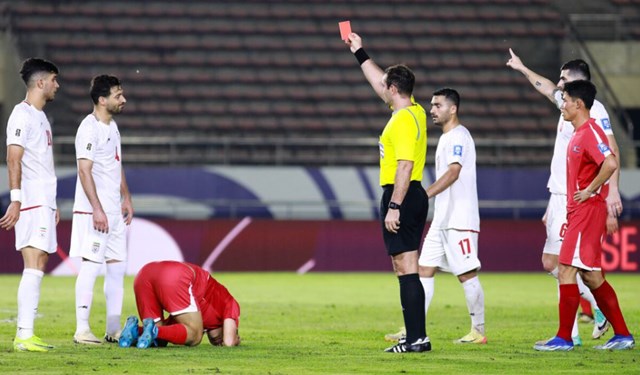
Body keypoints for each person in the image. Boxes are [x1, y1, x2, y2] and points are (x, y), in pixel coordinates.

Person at [507, 51, 616, 343]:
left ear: (577, 84)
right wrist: (521, 67)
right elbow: (544, 86)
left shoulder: (597, 111)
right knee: (555, 263)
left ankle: (575, 330)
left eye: (563, 78)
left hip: (577, 198)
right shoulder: (566, 104)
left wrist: (611, 194)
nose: (558, 83)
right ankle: (586, 319)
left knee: (564, 264)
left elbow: (610, 153)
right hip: (559, 195)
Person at [345, 33, 430, 353]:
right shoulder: (416, 111)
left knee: (406, 267)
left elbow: (405, 166)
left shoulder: (402, 122)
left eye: (385, 86)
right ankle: (416, 337)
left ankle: (417, 338)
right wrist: (359, 52)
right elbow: (380, 79)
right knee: (406, 266)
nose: (380, 89)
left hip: (402, 195)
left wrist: (394, 205)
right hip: (412, 194)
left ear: (393, 90)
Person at [533, 80, 634, 351]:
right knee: (591, 277)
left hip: (587, 212)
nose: (562, 105)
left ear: (578, 104)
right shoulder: (578, 132)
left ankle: (564, 338)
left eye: (565, 100)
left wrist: (590, 190)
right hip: (580, 212)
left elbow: (610, 161)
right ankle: (622, 334)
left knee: (566, 269)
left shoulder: (590, 132)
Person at [385, 89, 486, 345]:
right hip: (442, 218)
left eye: (438, 105)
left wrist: (425, 194)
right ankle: (413, 328)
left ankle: (478, 331)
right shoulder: (445, 137)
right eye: (431, 105)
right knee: (423, 270)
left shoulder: (458, 137)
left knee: (466, 273)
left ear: (453, 109)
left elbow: (454, 172)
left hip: (459, 218)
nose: (432, 109)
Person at [1, 58, 59, 352]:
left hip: (43, 201)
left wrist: (53, 202)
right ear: (40, 82)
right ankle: (24, 334)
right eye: (53, 80)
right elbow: (14, 157)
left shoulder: (41, 117)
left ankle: (27, 333)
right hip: (31, 201)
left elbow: (41, 163)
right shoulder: (21, 115)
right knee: (34, 262)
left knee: (40, 262)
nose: (56, 86)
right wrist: (15, 200)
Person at [69, 75, 133, 345]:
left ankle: (113, 329)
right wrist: (97, 209)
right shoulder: (89, 127)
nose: (124, 99)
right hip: (94, 212)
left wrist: (126, 197)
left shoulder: (113, 126)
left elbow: (115, 165)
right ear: (102, 99)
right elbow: (84, 170)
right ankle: (81, 329)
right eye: (118, 95)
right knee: (91, 266)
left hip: (114, 212)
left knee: (118, 269)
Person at [118, 261, 241, 348]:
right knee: (195, 336)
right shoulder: (230, 303)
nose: (219, 344)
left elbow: (169, 329)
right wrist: (236, 340)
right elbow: (229, 341)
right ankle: (151, 331)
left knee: (159, 340)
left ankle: (133, 330)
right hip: (175, 277)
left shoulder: (196, 314)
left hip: (145, 274)